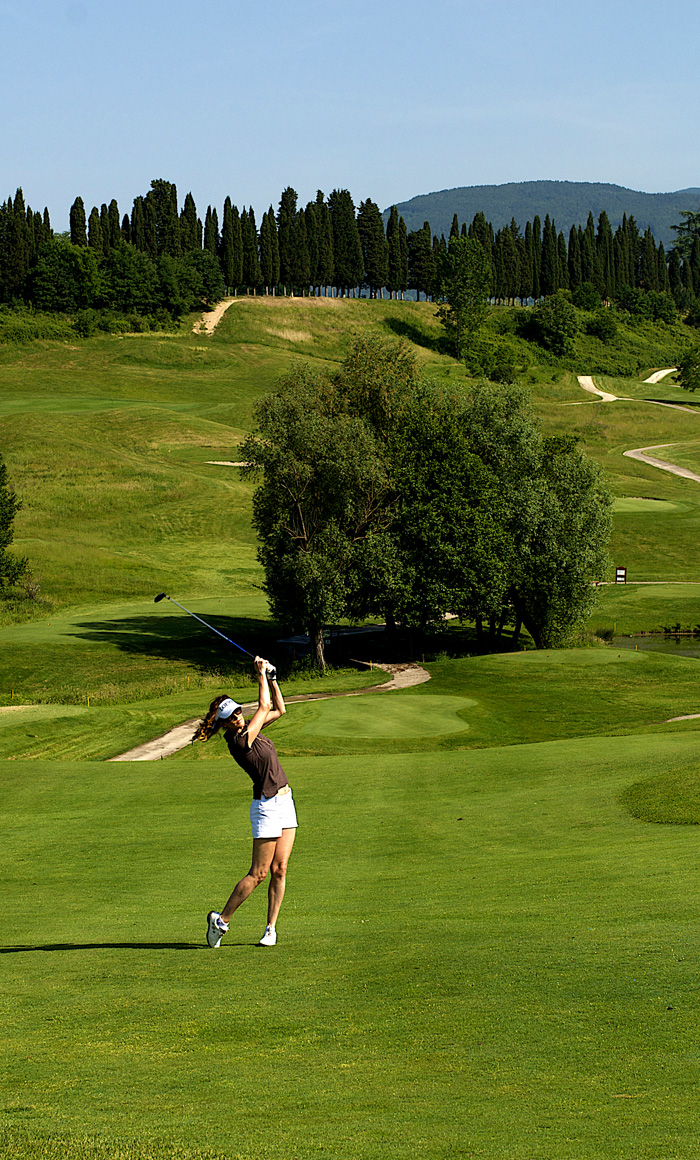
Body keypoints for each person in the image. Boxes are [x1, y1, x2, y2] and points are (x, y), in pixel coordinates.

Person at [193, 656, 297, 949]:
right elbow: (263, 707)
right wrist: (260, 673)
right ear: (224, 724)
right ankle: (221, 921)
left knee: (280, 869)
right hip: (266, 807)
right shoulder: (239, 741)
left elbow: (279, 709)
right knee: (259, 873)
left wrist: (273, 678)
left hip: (286, 801)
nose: (238, 716)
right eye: (232, 716)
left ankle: (270, 929)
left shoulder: (250, 729)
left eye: (239, 711)